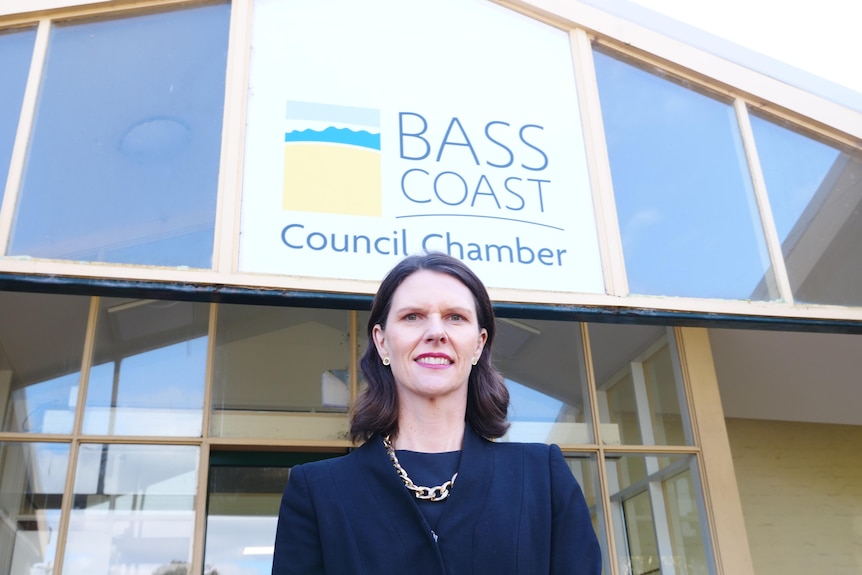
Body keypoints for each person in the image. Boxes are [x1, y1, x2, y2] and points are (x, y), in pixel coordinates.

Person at [272, 252, 602, 574]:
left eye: (455, 317)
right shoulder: (317, 490)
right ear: (383, 341)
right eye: (412, 316)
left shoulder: (543, 477)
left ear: (478, 344)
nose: (435, 332)